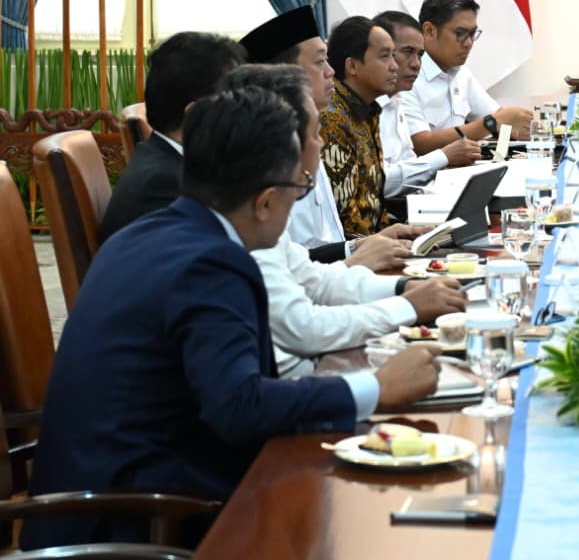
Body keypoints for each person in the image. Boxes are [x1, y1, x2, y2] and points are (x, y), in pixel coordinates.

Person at [21, 88, 442, 549]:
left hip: (125, 490)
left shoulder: (151, 232)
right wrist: (377, 388)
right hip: (137, 520)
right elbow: (240, 408)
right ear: (263, 202)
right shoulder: (215, 262)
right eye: (298, 190)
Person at [224, 64, 468, 377]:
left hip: (312, 369)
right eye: (315, 135)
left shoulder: (262, 199)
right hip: (297, 385)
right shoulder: (252, 216)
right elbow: (304, 328)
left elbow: (317, 281)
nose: (322, 144)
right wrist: (408, 306)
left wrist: (406, 287)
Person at [240, 6, 416, 270]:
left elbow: (325, 240)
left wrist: (366, 244)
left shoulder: (309, 129)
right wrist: (358, 256)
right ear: (286, 72)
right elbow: (296, 267)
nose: (331, 71)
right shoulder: (270, 155)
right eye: (321, 61)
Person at [99, 31, 246, 240]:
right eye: (236, 102)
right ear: (196, 115)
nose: (244, 114)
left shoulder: (169, 161)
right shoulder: (166, 185)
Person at [403, 0, 533, 154]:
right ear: (429, 31)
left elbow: (499, 121)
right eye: (460, 33)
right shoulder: (407, 77)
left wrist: (519, 131)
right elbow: (420, 144)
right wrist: (491, 123)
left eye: (472, 34)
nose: (469, 43)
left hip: (459, 170)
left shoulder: (461, 74)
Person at [372, 9, 481, 197]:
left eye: (420, 55)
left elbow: (407, 164)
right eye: (407, 52)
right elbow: (378, 182)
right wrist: (444, 157)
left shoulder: (395, 101)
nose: (416, 64)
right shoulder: (369, 108)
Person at [320, 16, 397, 237]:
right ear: (352, 66)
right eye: (384, 56)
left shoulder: (366, 109)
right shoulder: (333, 117)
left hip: (374, 242)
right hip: (350, 256)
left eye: (393, 55)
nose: (395, 66)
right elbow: (344, 219)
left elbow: (373, 201)